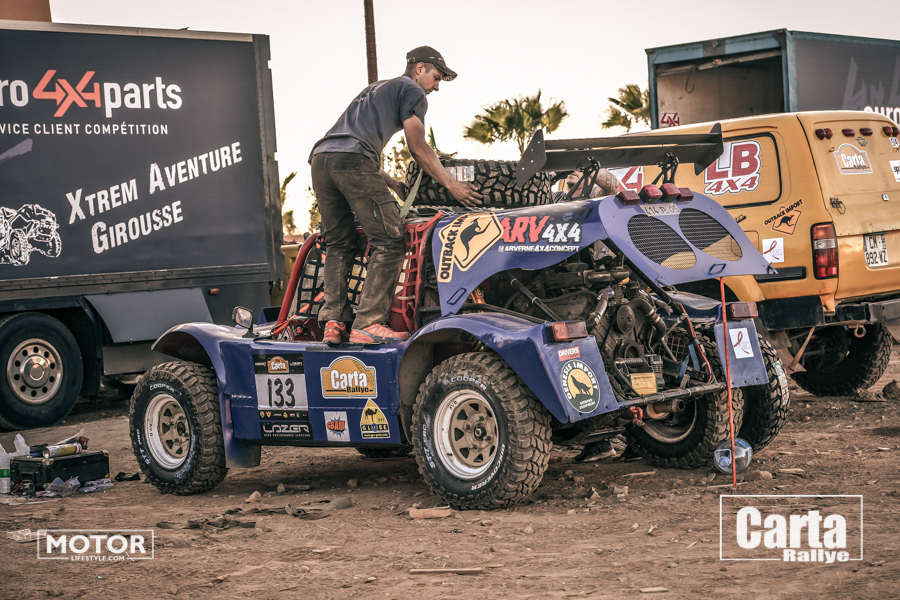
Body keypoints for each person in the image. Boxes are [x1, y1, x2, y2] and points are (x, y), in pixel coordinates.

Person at [309, 46, 481, 345]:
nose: (436, 87)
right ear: (419, 69)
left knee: (339, 242)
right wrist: (452, 184)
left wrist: (393, 185)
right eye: (436, 77)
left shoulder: (375, 89)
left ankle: (333, 322)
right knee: (389, 239)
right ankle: (368, 323)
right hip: (353, 161)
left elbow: (349, 145)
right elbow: (418, 146)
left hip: (321, 160)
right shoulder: (413, 91)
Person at [552, 167, 619, 203]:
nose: (573, 170)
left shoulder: (594, 195)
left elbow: (613, 186)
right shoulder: (555, 197)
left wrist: (586, 165)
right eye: (571, 167)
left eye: (578, 169)